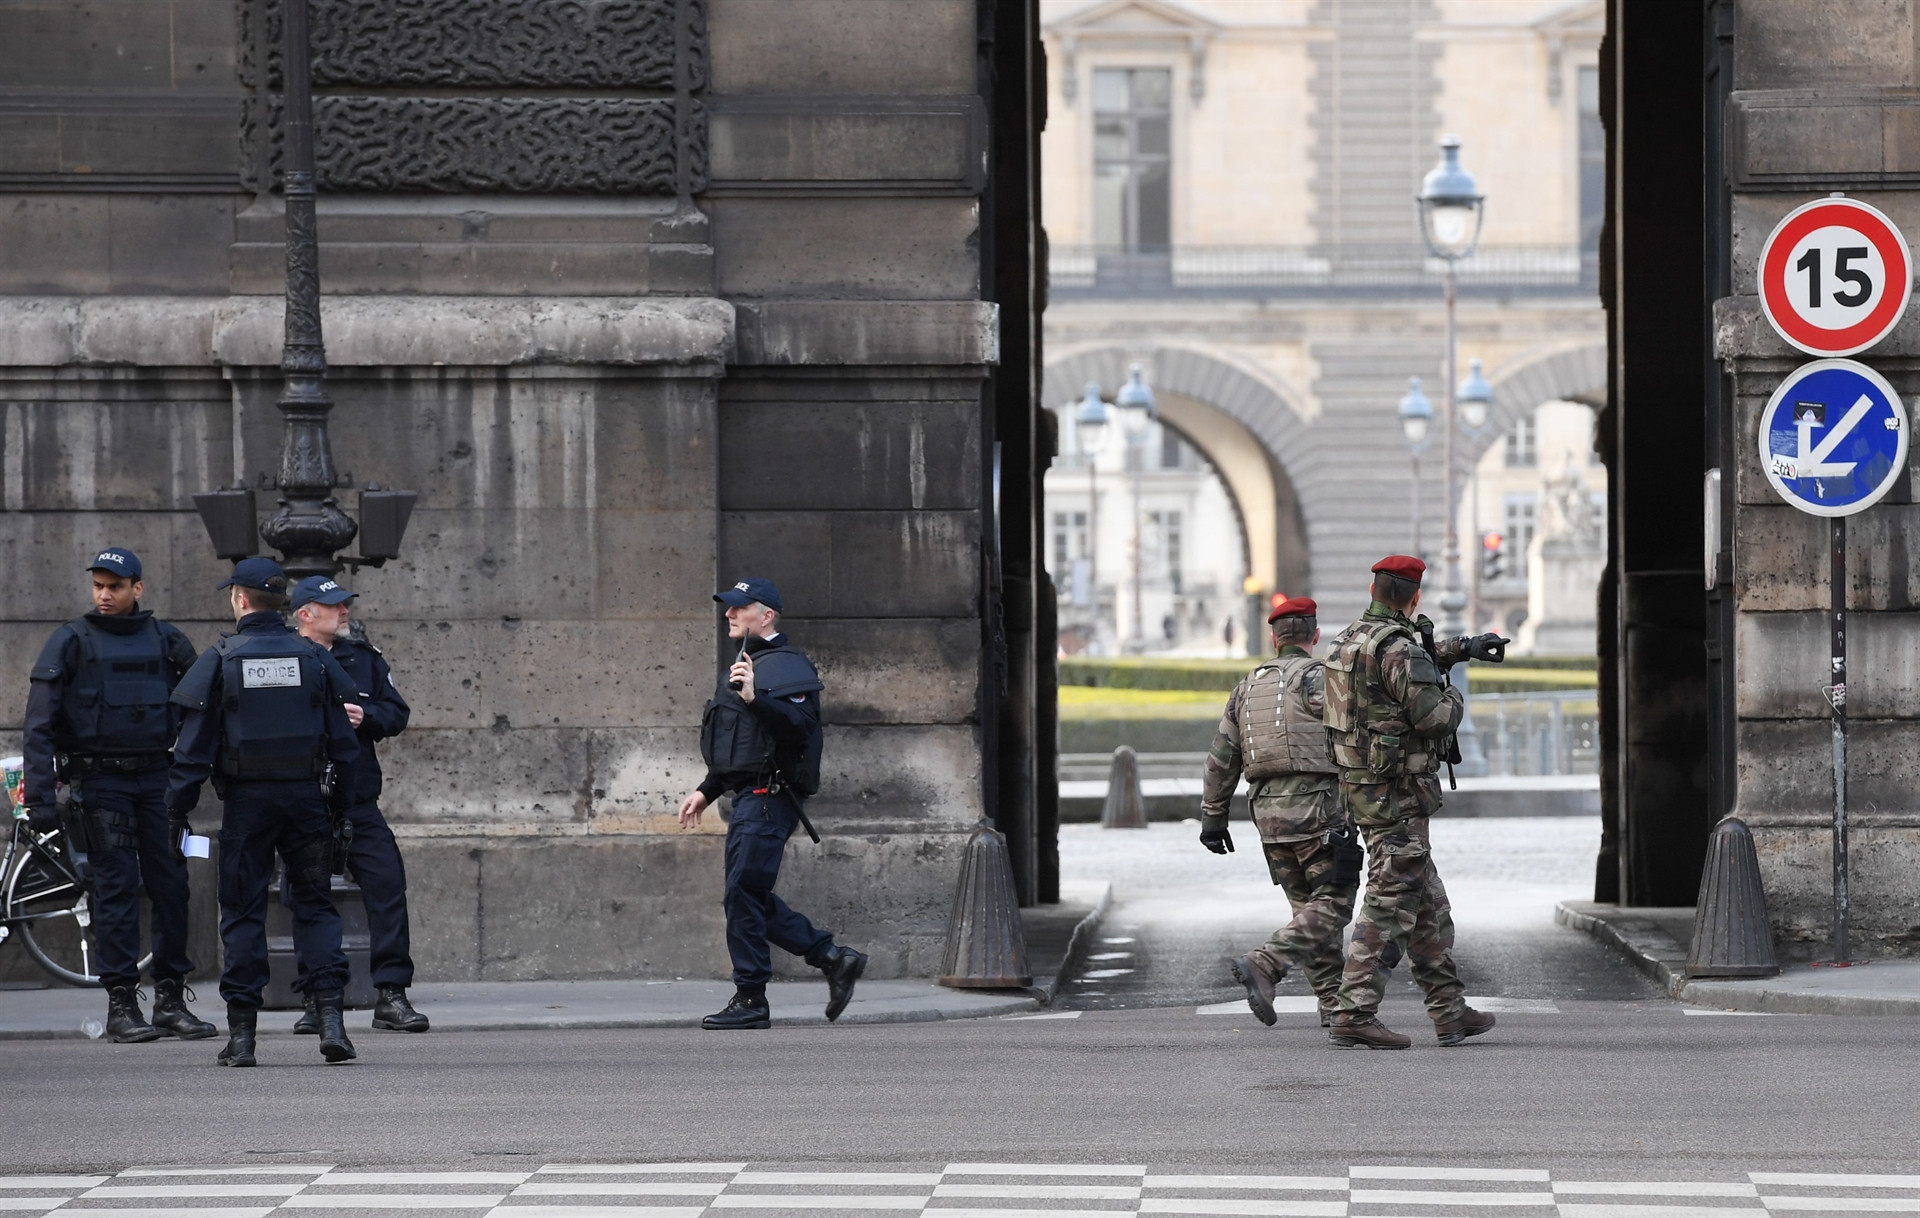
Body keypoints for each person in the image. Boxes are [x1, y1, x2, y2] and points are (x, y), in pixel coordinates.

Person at [165, 557, 361, 1067]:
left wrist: (176, 810)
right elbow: (344, 744)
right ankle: (331, 1021)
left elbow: (193, 751)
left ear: (240, 599)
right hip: (306, 802)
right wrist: (342, 810)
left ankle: (244, 1036)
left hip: (248, 806)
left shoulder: (223, 658)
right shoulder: (313, 658)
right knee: (316, 906)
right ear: (283, 604)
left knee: (243, 911)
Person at [21, 548, 216, 1043]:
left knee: (172, 887)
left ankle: (171, 1000)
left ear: (137, 589)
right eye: (98, 586)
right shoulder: (70, 641)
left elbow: (204, 709)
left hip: (157, 780)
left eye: (115, 586)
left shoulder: (167, 640)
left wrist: (193, 776)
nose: (104, 595)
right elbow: (39, 727)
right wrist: (40, 801)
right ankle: (122, 1005)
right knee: (116, 890)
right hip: (100, 782)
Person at [1320, 555, 1505, 1049]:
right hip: (1398, 795)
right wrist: (1457, 696)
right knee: (1389, 901)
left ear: (1374, 589)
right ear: (1415, 596)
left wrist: (1460, 650)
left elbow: (1390, 676)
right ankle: (1353, 1010)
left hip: (1363, 789)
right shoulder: (1399, 649)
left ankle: (1449, 1011)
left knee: (1429, 906)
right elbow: (1435, 718)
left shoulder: (1347, 641)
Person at [676, 577, 866, 1030]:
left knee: (743, 893)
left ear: (767, 616)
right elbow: (741, 746)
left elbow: (797, 728)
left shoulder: (784, 664)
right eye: (729, 608)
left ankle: (752, 998)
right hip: (750, 795)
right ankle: (831, 958)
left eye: (739, 608)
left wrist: (756, 698)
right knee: (746, 893)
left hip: (770, 797)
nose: (729, 614)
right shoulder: (746, 663)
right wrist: (707, 790)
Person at [1199, 596, 1361, 1029]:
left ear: (1274, 638)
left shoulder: (1246, 687)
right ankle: (1267, 962)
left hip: (1269, 819)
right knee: (1334, 903)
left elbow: (1222, 757)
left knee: (1307, 910)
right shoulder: (1324, 680)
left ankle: (1332, 1004)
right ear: (1315, 636)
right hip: (1320, 812)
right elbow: (1355, 743)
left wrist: (1213, 818)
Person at [285, 575, 428, 1035]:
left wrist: (366, 717)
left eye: (345, 605)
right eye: (333, 606)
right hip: (304, 802)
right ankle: (317, 999)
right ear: (306, 613)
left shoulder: (364, 660)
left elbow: (397, 714)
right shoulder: (281, 658)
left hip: (357, 801)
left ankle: (391, 995)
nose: (344, 612)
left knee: (387, 887)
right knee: (308, 899)